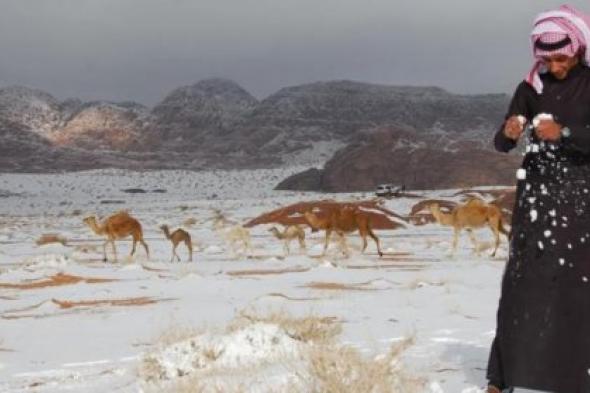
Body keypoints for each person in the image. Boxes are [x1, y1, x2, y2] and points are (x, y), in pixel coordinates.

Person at [488, 5, 590, 393]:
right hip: (538, 197)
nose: (554, 64)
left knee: (578, 284)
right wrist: (510, 132)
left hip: (583, 198)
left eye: (561, 57)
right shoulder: (530, 88)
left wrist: (565, 133)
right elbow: (501, 143)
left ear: (579, 48)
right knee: (523, 281)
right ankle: (505, 376)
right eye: (546, 57)